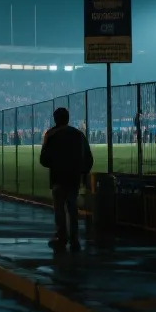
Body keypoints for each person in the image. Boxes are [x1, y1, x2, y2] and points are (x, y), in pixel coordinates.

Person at [40, 107, 94, 251]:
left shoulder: (51, 134)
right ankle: (75, 238)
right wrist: (82, 172)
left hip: (58, 177)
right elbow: (88, 158)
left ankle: (61, 236)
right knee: (72, 207)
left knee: (59, 209)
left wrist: (55, 163)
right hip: (74, 177)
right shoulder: (78, 135)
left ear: (55, 119)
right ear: (68, 118)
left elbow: (43, 159)